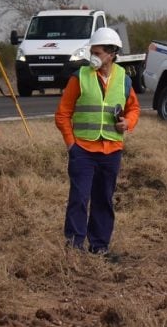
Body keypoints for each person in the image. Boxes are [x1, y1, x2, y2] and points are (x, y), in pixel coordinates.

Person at [55, 27, 140, 258]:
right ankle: (74, 248)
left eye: (99, 52)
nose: (94, 56)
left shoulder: (124, 79)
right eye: (92, 51)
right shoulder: (79, 77)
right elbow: (62, 113)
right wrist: (71, 144)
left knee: (104, 199)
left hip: (111, 151)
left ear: (112, 53)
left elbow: (134, 108)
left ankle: (99, 247)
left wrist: (128, 123)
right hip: (83, 150)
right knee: (79, 199)